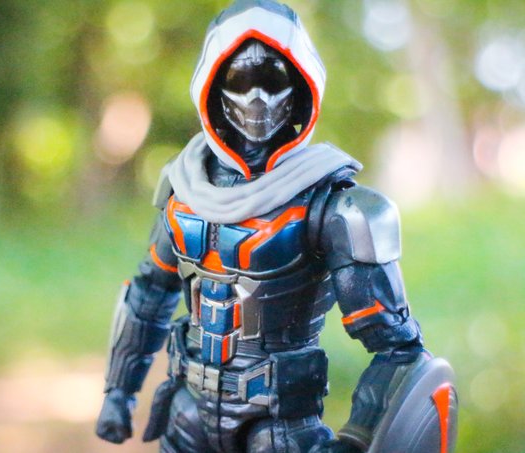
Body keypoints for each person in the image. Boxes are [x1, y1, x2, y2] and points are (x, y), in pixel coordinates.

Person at [96, 1, 457, 452]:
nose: (257, 98)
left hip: (277, 425)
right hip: (188, 411)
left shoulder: (335, 206)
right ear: (212, 85)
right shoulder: (185, 189)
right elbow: (148, 295)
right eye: (239, 79)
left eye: (273, 79)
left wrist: (357, 440)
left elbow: (398, 349)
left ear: (301, 84)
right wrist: (119, 392)